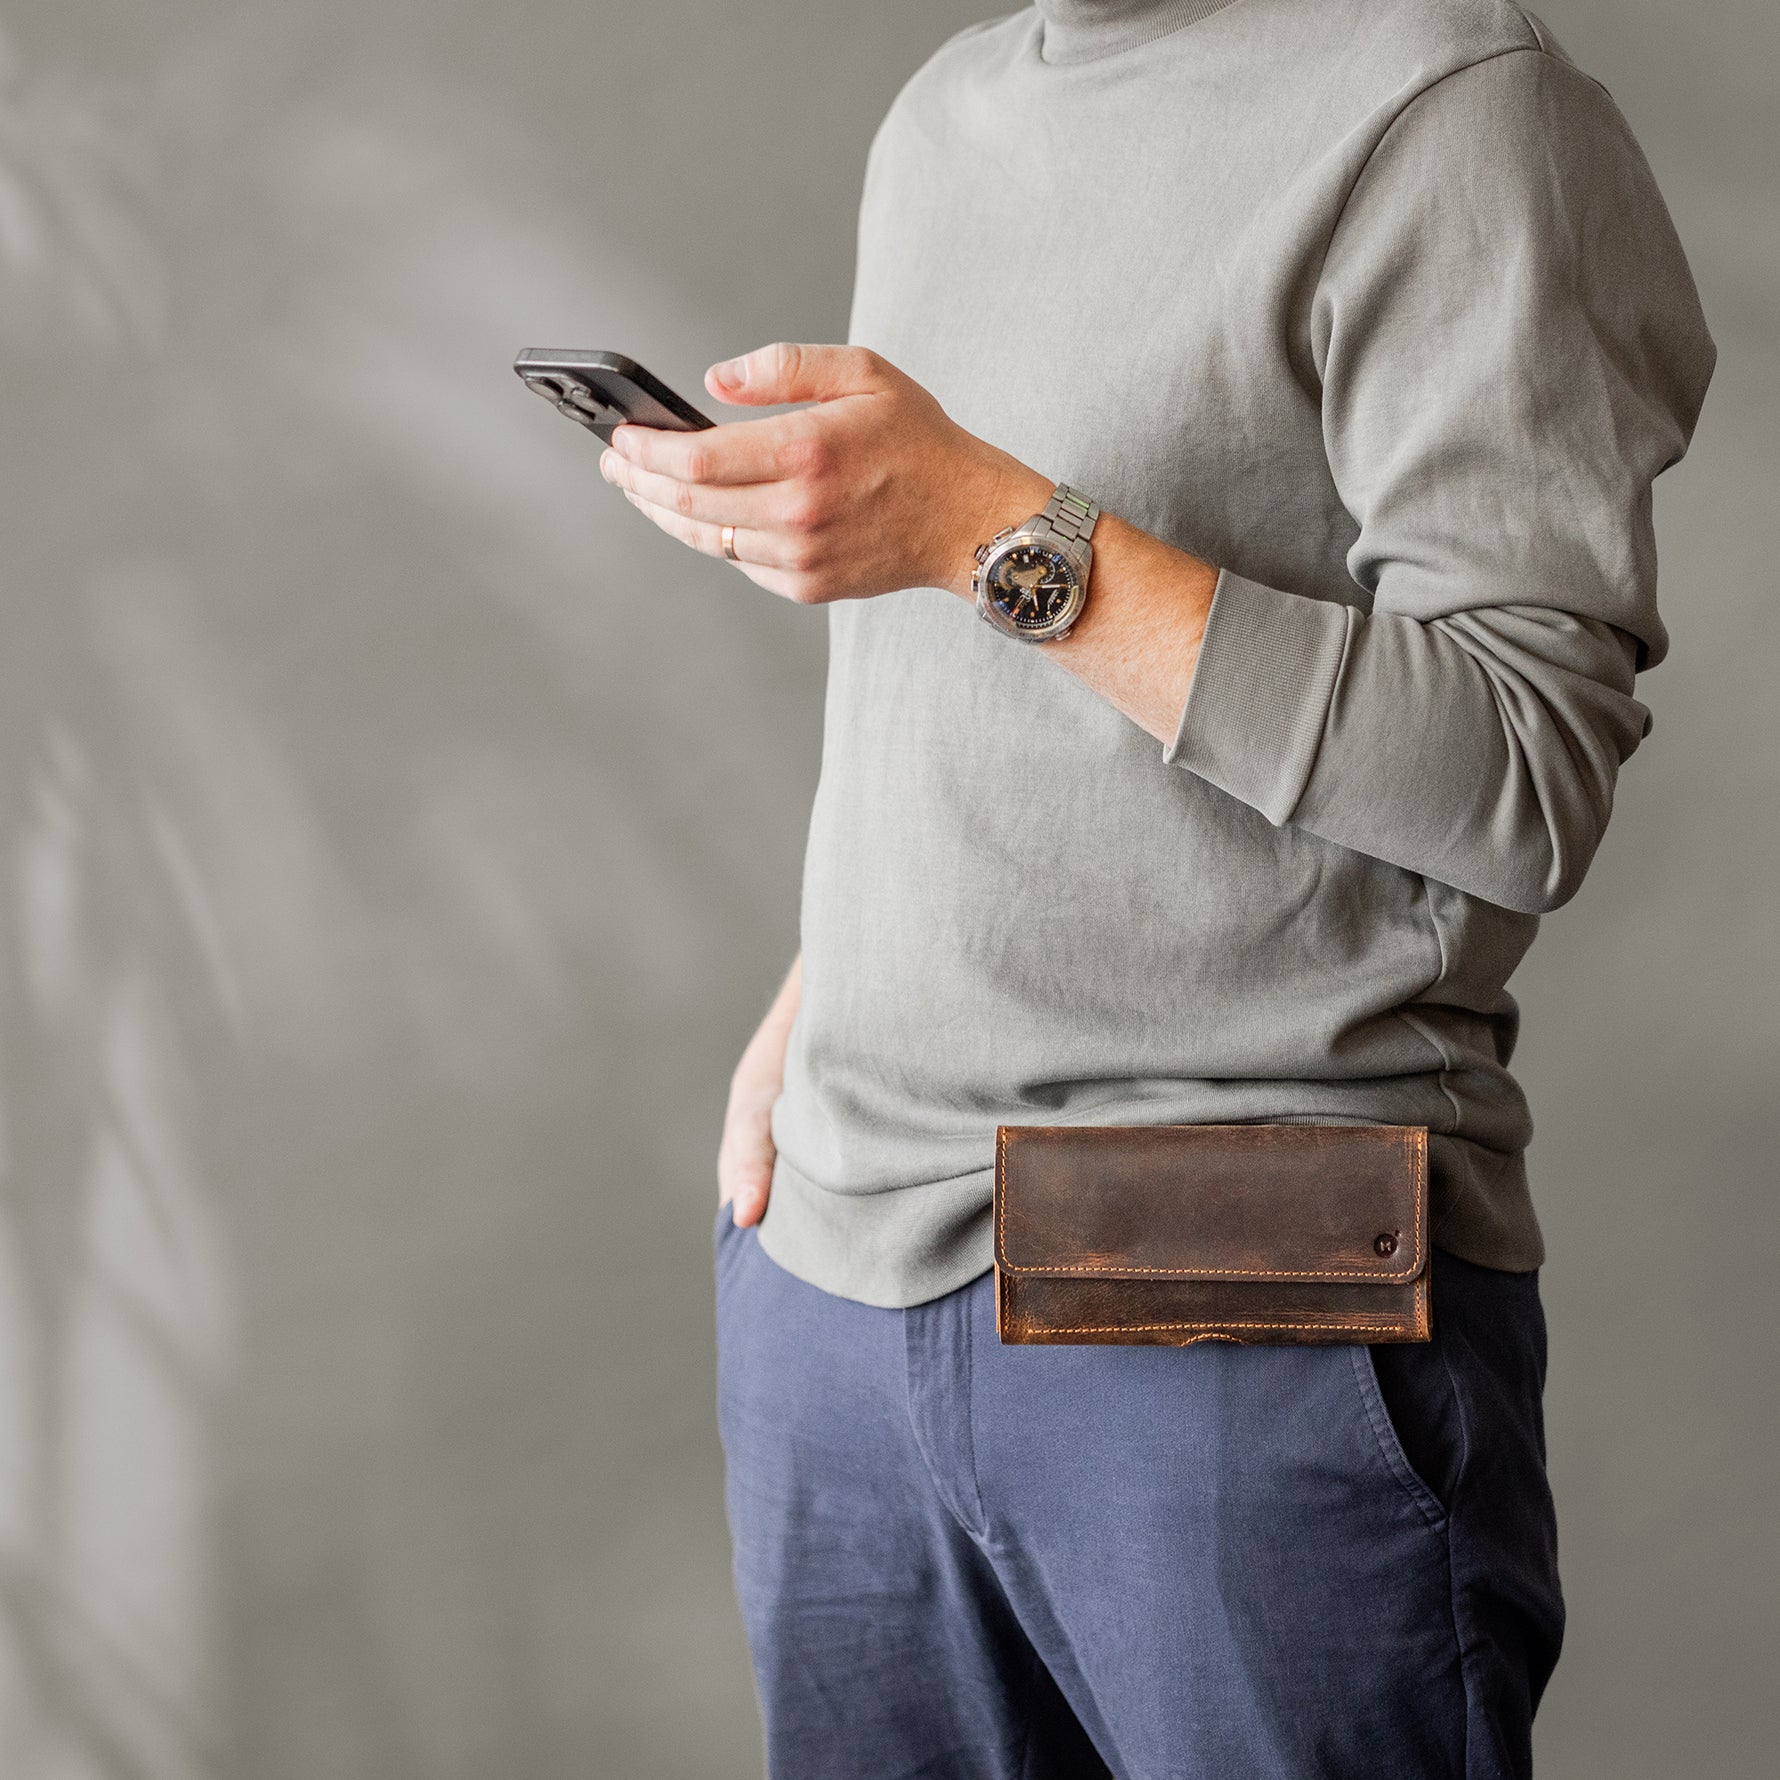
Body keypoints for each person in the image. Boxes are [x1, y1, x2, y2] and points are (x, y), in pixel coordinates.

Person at [598, 2, 1714, 1774]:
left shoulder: (1453, 106)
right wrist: (841, 976)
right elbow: (974, 687)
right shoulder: (946, 112)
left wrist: (990, 529)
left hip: (1225, 1273)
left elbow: (1523, 767)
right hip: (830, 1278)